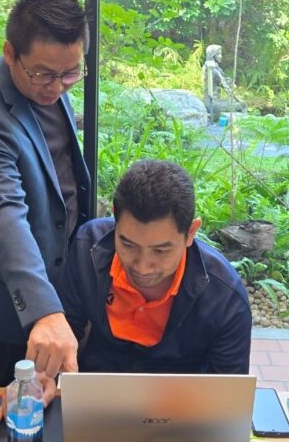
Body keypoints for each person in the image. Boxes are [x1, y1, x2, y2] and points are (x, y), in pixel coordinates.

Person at [0, 0, 91, 386]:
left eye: (71, 73)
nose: (58, 87)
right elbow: (3, 212)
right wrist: (43, 310)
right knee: (15, 398)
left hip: (66, 276)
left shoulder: (49, 80)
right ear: (9, 53)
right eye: (44, 74)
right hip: (17, 296)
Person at [57, 159, 252, 374]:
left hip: (184, 395)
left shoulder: (225, 298)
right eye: (128, 245)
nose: (143, 268)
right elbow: (65, 328)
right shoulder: (88, 247)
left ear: (190, 232)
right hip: (95, 388)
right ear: (115, 218)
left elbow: (226, 388)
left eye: (160, 251)